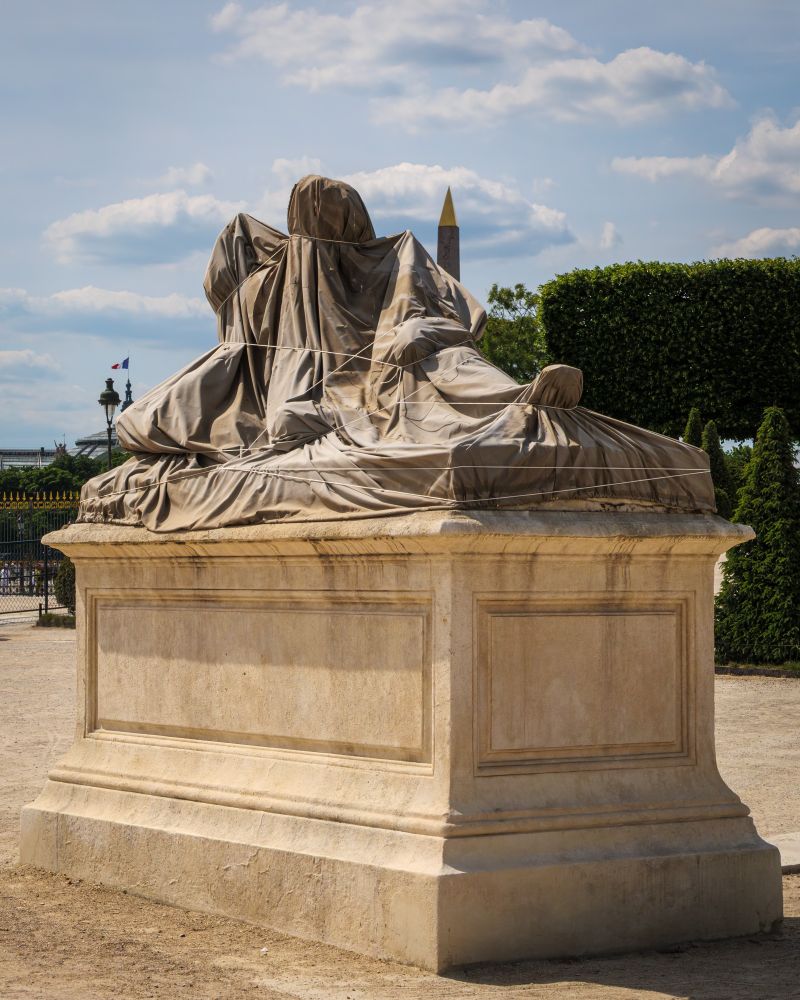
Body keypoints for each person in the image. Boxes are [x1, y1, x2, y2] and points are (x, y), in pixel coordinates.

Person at [80, 175, 714, 532]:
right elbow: (225, 318)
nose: (336, 236)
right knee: (299, 416)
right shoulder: (265, 294)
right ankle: (509, 406)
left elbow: (435, 318)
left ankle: (516, 400)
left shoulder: (384, 262)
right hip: (318, 396)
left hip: (385, 373)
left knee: (426, 347)